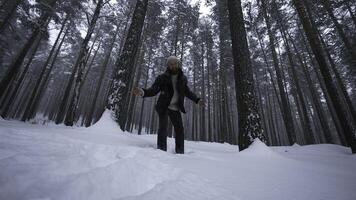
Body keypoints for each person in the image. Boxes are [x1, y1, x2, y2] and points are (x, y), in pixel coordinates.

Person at [132, 56, 205, 154]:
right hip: (163, 106)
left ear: (178, 64)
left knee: (179, 129)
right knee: (163, 127)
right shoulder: (162, 77)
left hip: (175, 107)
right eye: (171, 64)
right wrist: (142, 92)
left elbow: (187, 92)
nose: (173, 66)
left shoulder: (183, 78)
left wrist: (197, 100)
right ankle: (161, 151)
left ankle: (180, 152)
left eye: (175, 63)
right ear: (168, 66)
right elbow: (153, 90)